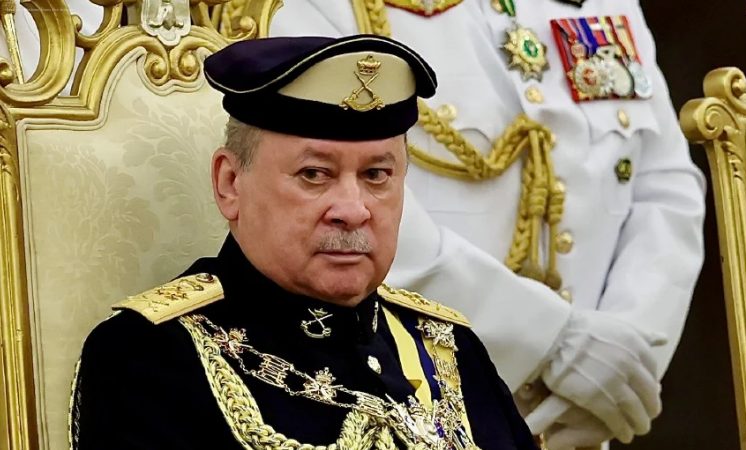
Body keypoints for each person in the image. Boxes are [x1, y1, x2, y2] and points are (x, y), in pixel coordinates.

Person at [266, 1, 706, 448]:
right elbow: (326, 206)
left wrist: (623, 366)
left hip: (582, 422)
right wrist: (548, 340)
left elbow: (664, 187)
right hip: (407, 408)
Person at [69, 34, 540, 450]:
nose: (353, 209)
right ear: (230, 183)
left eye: (377, 175)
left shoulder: (448, 348)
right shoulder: (149, 358)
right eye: (314, 174)